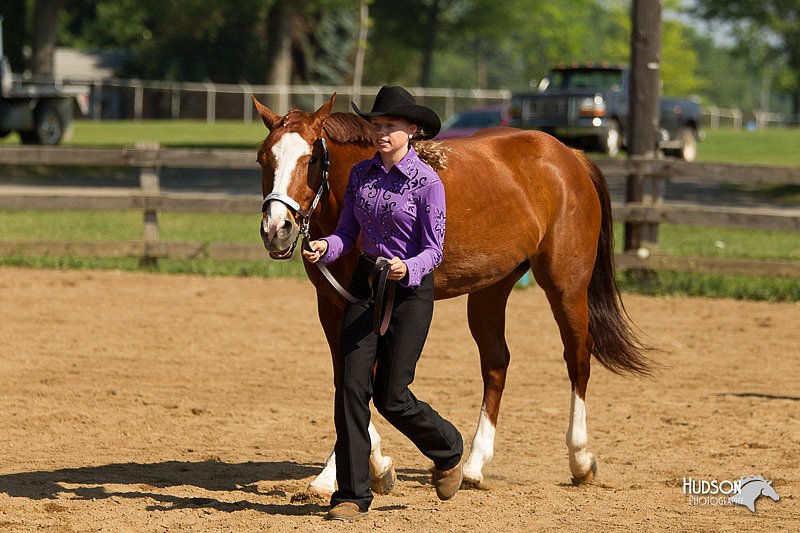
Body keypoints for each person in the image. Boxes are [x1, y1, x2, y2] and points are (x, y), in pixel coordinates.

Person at [302, 86, 463, 522]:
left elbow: (435, 250)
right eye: (376, 125)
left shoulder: (428, 183)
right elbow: (347, 234)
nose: (381, 133)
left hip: (409, 293)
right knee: (351, 388)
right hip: (365, 285)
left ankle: (448, 447)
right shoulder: (361, 176)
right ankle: (352, 496)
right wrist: (325, 247)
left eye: (390, 126)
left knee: (392, 397)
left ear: (412, 130)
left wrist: (405, 270)